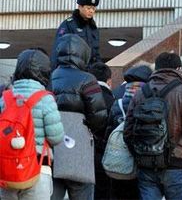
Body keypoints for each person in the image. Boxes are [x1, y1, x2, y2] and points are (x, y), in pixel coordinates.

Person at [124, 52, 182, 200]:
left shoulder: (141, 92)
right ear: (179, 68)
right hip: (176, 165)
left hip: (146, 165)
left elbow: (128, 131)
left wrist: (140, 155)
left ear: (156, 69)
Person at [50, 34, 108, 200]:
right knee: (82, 192)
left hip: (53, 148)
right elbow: (99, 117)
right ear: (83, 54)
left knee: (52, 193)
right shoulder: (88, 80)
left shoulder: (49, 77)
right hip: (78, 148)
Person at [0, 49, 64, 200]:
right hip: (37, 167)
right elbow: (56, 138)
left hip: (6, 169)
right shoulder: (46, 99)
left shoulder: (5, 99)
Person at [104, 64, 152, 200]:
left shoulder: (117, 104)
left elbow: (108, 133)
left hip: (118, 163)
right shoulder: (149, 105)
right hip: (141, 164)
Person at [51, 0, 101, 69]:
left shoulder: (93, 28)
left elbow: (96, 53)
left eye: (93, 8)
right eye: (88, 8)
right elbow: (58, 49)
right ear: (80, 7)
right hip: (73, 70)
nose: (91, 11)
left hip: (91, 72)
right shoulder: (68, 25)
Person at [88, 62, 115, 200]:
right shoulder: (113, 101)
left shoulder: (84, 98)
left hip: (84, 155)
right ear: (109, 81)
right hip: (107, 156)